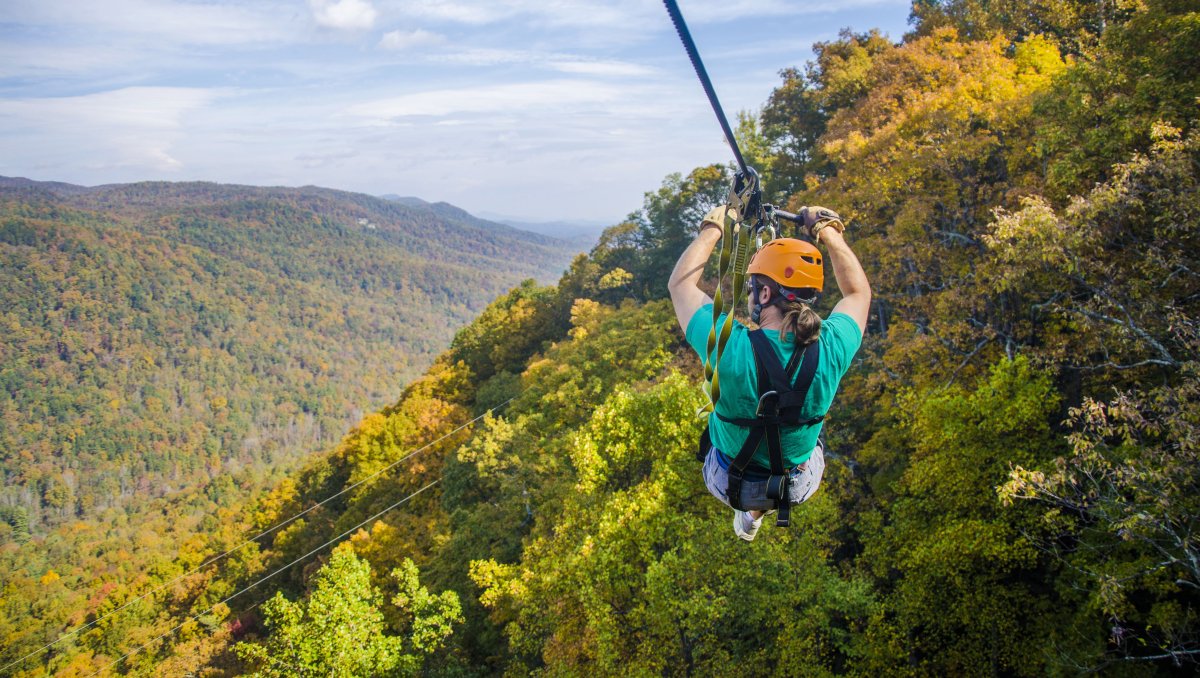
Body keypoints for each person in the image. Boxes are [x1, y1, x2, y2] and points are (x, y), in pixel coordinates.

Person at [667, 205, 871, 541]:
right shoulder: (833, 346)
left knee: (728, 427)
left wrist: (715, 227)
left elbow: (681, 286)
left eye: (752, 289)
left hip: (729, 482)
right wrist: (827, 232)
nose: (750, 294)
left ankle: (751, 509)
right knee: (807, 430)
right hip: (795, 486)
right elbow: (858, 293)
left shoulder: (729, 347)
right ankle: (759, 508)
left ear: (765, 293)